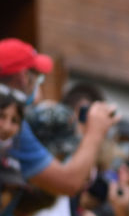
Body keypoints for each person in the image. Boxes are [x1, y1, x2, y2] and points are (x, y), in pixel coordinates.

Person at [0, 39, 117, 196]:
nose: (7, 126)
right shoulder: (17, 132)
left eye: (13, 120)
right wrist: (95, 132)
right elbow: (68, 183)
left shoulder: (19, 128)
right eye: (37, 78)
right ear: (23, 77)